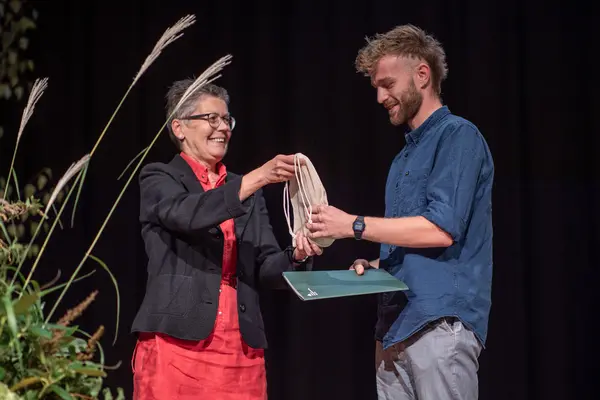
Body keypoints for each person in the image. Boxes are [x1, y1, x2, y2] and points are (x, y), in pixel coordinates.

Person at [306, 24, 494, 400]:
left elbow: (441, 230)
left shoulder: (458, 135)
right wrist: (378, 267)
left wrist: (353, 225)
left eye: (388, 84)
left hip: (438, 324)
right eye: (376, 86)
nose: (380, 97)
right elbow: (412, 242)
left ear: (422, 75)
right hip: (394, 329)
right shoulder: (402, 159)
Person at [130, 80, 323, 399]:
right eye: (211, 119)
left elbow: (266, 267)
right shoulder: (159, 177)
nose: (223, 128)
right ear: (179, 127)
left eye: (227, 120)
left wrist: (298, 255)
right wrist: (258, 177)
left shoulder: (244, 189)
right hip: (176, 345)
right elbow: (188, 214)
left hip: (240, 351)